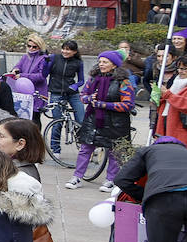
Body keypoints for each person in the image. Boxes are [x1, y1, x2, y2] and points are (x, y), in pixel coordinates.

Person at [66, 51, 134, 193]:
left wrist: (105, 105)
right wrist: (90, 98)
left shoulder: (124, 82)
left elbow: (128, 104)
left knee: (114, 152)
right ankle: (77, 177)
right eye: (100, 61)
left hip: (116, 123)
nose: (101, 64)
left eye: (105, 62)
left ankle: (110, 180)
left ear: (114, 64)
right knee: (85, 148)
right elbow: (83, 96)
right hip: (93, 120)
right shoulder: (93, 78)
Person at [44, 41, 86, 143]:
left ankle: (83, 144)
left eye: (68, 49)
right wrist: (46, 63)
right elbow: (44, 74)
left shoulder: (78, 63)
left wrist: (75, 85)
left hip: (72, 94)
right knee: (57, 122)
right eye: (64, 48)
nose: (65, 51)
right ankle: (55, 148)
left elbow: (81, 80)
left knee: (81, 120)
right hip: (56, 93)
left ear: (74, 52)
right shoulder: (55, 58)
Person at [11, 33, 51, 107]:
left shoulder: (44, 58)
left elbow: (41, 76)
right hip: (23, 92)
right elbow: (18, 66)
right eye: (29, 46)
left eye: (34, 47)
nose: (31, 48)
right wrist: (15, 70)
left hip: (38, 92)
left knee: (35, 116)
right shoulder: (25, 56)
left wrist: (22, 75)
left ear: (40, 47)